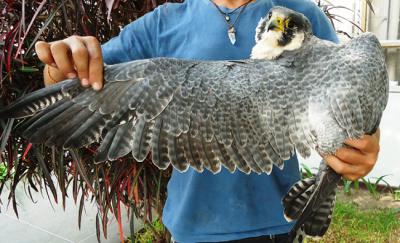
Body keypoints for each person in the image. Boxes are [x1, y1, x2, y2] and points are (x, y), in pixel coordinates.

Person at [35, 0, 381, 242]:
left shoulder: (301, 14)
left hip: (277, 224)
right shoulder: (163, 22)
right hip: (192, 226)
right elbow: (86, 85)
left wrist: (366, 143)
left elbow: (345, 91)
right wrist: (60, 66)